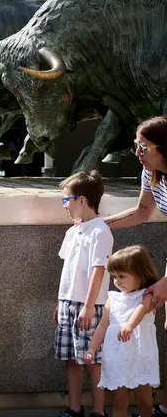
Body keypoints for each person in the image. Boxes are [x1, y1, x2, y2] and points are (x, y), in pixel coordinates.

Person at [102, 116, 167, 417]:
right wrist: (98, 225)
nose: (137, 154)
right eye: (135, 146)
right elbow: (143, 211)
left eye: (143, 147)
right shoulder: (151, 174)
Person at [53, 170, 112, 417]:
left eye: (67, 200)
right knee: (70, 359)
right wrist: (59, 302)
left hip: (90, 305)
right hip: (68, 304)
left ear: (83, 200)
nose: (64, 205)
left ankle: (98, 411)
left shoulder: (100, 231)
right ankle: (74, 409)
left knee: (92, 361)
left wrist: (88, 306)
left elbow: (98, 272)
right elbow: (67, 270)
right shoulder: (72, 231)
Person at [84, 245, 159, 417]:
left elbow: (141, 310)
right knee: (119, 400)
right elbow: (103, 326)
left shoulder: (147, 295)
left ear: (139, 273)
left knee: (144, 401)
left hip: (140, 356)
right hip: (117, 357)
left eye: (122, 276)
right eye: (114, 277)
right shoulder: (113, 298)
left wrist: (130, 325)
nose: (117, 281)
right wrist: (92, 348)